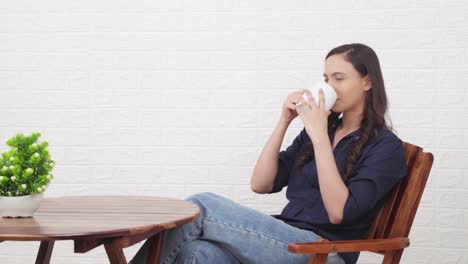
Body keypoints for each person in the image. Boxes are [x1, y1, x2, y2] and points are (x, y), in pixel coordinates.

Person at [129, 43, 407, 264]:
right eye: (325, 78)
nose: (329, 87)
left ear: (367, 82)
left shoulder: (384, 147)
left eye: (339, 78)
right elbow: (260, 184)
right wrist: (284, 121)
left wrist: (320, 135)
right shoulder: (320, 130)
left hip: (324, 253)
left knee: (201, 205)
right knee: (200, 253)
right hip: (285, 239)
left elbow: (339, 213)